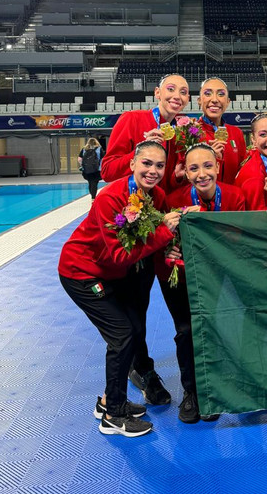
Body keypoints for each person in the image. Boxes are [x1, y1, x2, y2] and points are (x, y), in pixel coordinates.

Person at [58, 141, 181, 437]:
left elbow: (163, 233)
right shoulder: (110, 198)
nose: (152, 171)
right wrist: (164, 233)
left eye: (159, 166)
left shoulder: (157, 195)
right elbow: (120, 255)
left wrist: (172, 246)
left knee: (134, 331)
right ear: (132, 165)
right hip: (82, 273)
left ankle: (107, 401)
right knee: (122, 336)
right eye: (146, 164)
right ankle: (113, 415)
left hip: (112, 274)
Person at [159, 143, 245, 423]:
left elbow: (240, 240)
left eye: (208, 166)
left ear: (218, 167)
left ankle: (214, 390)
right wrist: (167, 250)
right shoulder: (173, 199)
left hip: (220, 276)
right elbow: (160, 237)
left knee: (217, 329)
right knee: (186, 331)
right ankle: (191, 393)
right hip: (182, 278)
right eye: (193, 168)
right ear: (185, 171)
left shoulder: (235, 197)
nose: (202, 174)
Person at [101, 73, 190, 192]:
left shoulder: (181, 134)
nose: (177, 96)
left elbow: (166, 185)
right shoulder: (132, 119)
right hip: (130, 204)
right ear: (157, 92)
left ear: (188, 99)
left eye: (183, 92)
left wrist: (178, 178)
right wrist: (141, 151)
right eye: (170, 89)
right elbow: (107, 172)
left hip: (161, 205)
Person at [197, 78, 247, 184]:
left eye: (221, 94)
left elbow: (242, 172)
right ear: (199, 100)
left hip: (232, 198)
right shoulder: (189, 132)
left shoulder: (236, 133)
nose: (215, 100)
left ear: (228, 102)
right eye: (208, 93)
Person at [235, 113, 267, 210]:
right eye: (263, 135)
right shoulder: (254, 178)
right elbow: (259, 222)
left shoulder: (258, 156)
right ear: (253, 140)